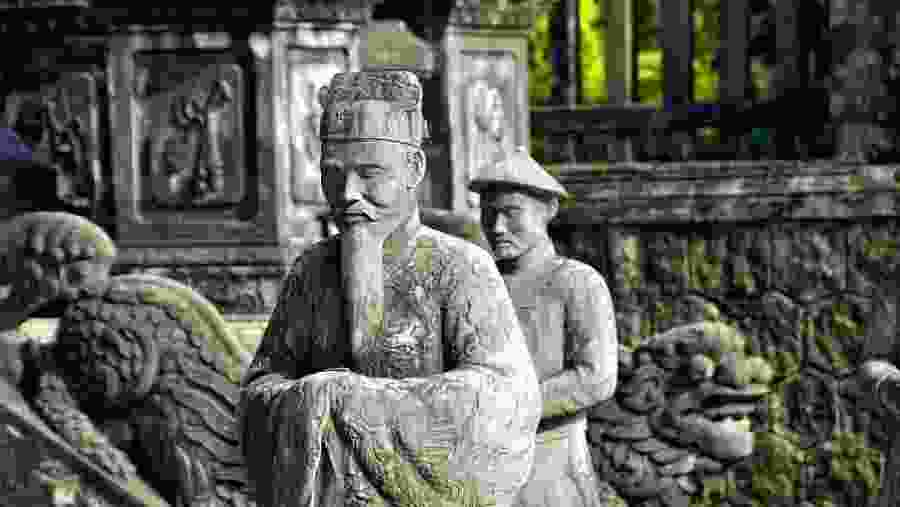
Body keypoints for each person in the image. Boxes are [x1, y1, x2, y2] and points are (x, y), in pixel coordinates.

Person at [239, 70, 541, 507]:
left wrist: (359, 401)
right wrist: (308, 400)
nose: (348, 192)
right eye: (333, 174)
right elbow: (258, 391)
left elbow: (505, 398)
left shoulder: (458, 267)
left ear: (414, 168)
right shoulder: (312, 271)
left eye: (370, 173)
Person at [470, 147, 619, 507]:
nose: (497, 227)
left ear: (548, 210)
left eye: (511, 213)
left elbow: (596, 377)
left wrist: (509, 406)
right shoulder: (476, 282)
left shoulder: (577, 282)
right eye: (488, 214)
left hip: (552, 467)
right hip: (480, 466)